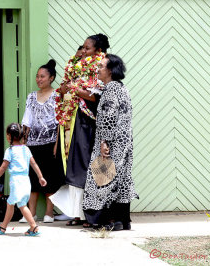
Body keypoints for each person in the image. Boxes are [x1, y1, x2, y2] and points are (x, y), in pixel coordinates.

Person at [50, 34, 110, 227]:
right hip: (75, 122)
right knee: (75, 167)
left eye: (87, 49)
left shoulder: (101, 69)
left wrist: (74, 89)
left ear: (98, 52)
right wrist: (66, 88)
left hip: (90, 124)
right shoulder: (81, 69)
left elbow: (95, 97)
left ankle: (92, 215)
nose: (83, 52)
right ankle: (78, 214)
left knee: (88, 167)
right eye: (83, 49)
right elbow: (66, 90)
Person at [82, 54, 139, 230]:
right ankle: (122, 220)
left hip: (111, 142)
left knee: (102, 178)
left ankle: (106, 220)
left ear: (110, 70)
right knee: (121, 178)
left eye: (101, 66)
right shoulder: (122, 88)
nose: (97, 69)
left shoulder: (111, 89)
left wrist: (104, 141)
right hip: (124, 142)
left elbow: (108, 116)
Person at [20, 59, 64, 223]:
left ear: (51, 78)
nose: (39, 79)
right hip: (33, 143)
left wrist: (57, 145)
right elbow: (27, 120)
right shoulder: (31, 96)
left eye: (42, 77)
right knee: (32, 177)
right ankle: (31, 213)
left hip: (51, 143)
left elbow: (61, 121)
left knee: (49, 178)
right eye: (37, 77)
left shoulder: (57, 95)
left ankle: (49, 213)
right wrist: (23, 142)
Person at [0, 123, 47, 236]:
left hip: (16, 181)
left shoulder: (9, 151)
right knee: (14, 204)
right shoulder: (26, 149)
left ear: (9, 136)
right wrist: (40, 176)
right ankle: (3, 227)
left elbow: (3, 167)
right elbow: (34, 164)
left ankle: (33, 226)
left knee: (21, 205)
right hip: (26, 180)